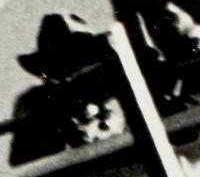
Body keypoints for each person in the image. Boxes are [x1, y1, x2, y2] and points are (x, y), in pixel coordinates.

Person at [7, 10, 124, 168]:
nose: (76, 66)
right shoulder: (35, 101)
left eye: (82, 55)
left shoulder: (116, 92)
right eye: (63, 58)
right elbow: (25, 163)